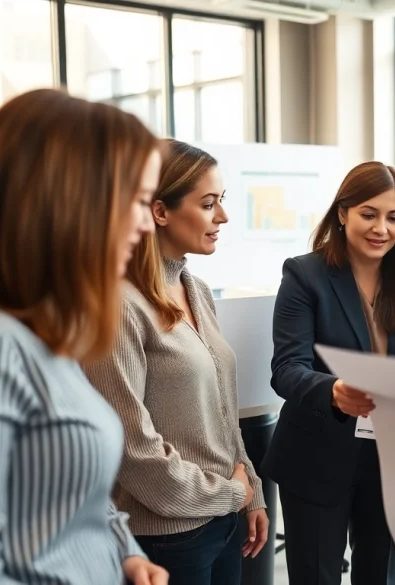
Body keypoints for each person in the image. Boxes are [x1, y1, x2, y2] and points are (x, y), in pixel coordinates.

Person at [0, 89, 168, 584]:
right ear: (72, 201)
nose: (148, 223)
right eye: (138, 200)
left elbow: (69, 494)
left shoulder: (40, 331)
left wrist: (124, 554)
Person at [83, 140, 268, 585]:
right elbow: (132, 449)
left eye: (221, 200)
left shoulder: (195, 289)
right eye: (208, 204)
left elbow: (223, 411)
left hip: (223, 518)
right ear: (160, 211)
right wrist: (231, 493)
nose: (223, 217)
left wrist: (252, 493)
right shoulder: (118, 305)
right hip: (167, 536)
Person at [260, 161, 395, 585]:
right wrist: (334, 391)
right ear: (342, 213)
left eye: (394, 217)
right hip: (317, 455)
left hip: (393, 459)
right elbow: (287, 368)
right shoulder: (304, 274)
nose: (382, 228)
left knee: (384, 576)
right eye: (369, 214)